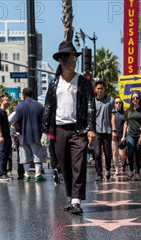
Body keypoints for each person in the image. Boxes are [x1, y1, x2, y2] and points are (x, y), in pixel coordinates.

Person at [41, 40, 96, 215]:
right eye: (70, 59)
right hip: (59, 130)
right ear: (62, 61)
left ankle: (77, 200)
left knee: (78, 164)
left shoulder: (83, 82)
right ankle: (71, 196)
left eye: (74, 58)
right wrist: (45, 129)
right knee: (64, 165)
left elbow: (90, 105)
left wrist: (91, 128)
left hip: (78, 130)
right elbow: (48, 107)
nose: (73, 62)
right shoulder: (54, 83)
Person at [9, 88, 46, 182]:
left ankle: (26, 175)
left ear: (23, 95)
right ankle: (38, 174)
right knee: (37, 154)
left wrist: (18, 130)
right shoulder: (39, 105)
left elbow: (15, 122)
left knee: (25, 156)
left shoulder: (20, 106)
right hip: (37, 135)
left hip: (24, 135)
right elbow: (44, 121)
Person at [121, 92, 141, 180]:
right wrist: (123, 136)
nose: (135, 99)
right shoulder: (128, 111)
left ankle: (137, 171)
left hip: (140, 135)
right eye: (133, 98)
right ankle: (131, 170)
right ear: (131, 100)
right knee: (130, 152)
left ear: (139, 99)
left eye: (137, 98)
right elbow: (125, 123)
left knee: (138, 153)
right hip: (130, 134)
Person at [94, 80, 114, 182]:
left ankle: (108, 169)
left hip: (107, 131)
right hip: (96, 131)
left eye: (101, 88)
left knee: (108, 153)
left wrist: (113, 129)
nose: (99, 90)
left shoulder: (110, 100)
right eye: (98, 88)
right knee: (97, 153)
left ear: (104, 89)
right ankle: (99, 174)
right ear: (95, 89)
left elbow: (113, 115)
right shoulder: (93, 101)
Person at [0, 95, 12, 182]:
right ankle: (1, 174)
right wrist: (0, 136)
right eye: (6, 100)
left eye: (8, 100)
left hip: (8, 138)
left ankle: (4, 173)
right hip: (2, 138)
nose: (8, 102)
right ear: (2, 101)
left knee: (6, 156)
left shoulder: (5, 112)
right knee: (2, 155)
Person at [111, 97, 126, 175]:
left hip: (122, 135)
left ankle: (123, 164)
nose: (118, 104)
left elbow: (126, 124)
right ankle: (117, 169)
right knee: (114, 153)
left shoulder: (124, 113)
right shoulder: (112, 113)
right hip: (113, 135)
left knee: (122, 154)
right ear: (114, 104)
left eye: (120, 102)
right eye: (116, 103)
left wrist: (124, 136)